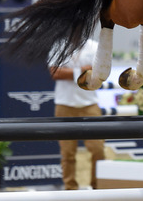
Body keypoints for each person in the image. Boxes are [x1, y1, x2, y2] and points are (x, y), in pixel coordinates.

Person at [48, 39, 105, 190]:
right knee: (67, 152)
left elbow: (99, 71)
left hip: (90, 104)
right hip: (64, 104)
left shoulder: (95, 46)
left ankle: (97, 187)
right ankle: (70, 188)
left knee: (98, 150)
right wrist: (81, 72)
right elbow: (54, 72)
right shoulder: (58, 44)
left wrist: (69, 72)